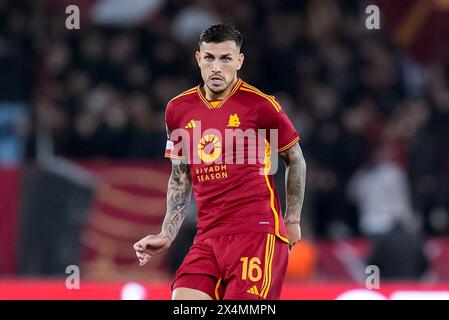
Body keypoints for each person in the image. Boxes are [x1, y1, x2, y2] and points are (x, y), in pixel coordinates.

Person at [133, 24, 306, 300]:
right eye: (210, 57)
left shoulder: (261, 106)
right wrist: (167, 233)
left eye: (225, 58)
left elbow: (295, 158)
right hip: (207, 236)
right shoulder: (178, 109)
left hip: (256, 233)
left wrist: (293, 219)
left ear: (239, 61)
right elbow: (180, 176)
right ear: (198, 58)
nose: (216, 67)